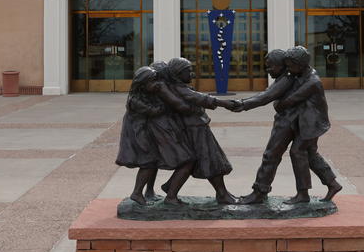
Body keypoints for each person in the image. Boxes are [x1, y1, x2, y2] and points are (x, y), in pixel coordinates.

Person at [159, 57, 240, 205]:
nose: (192, 74)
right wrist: (225, 103)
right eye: (188, 71)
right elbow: (200, 98)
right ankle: (221, 194)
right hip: (194, 130)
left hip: (195, 128)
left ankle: (171, 188)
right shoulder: (179, 89)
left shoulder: (179, 87)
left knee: (203, 161)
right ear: (178, 74)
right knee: (212, 160)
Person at [231, 49, 303, 204]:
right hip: (287, 120)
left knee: (271, 156)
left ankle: (260, 192)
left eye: (271, 66)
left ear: (282, 66)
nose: (267, 70)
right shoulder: (284, 78)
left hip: (288, 122)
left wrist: (243, 104)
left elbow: (266, 97)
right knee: (307, 155)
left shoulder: (287, 79)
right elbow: (266, 93)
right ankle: (331, 182)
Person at [115, 66, 195, 204]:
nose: (157, 84)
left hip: (146, 133)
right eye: (152, 81)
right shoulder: (135, 100)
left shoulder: (147, 94)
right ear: (142, 85)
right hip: (139, 136)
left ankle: (148, 191)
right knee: (148, 163)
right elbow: (155, 111)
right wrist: (169, 102)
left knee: (153, 162)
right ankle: (137, 193)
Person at [274, 46, 342, 204]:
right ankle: (333, 184)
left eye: (290, 66)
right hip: (305, 122)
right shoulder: (301, 75)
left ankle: (303, 193)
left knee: (297, 152)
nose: (288, 70)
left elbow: (289, 101)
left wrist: (277, 101)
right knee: (311, 154)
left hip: (312, 124)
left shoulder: (312, 82)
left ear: (301, 65)